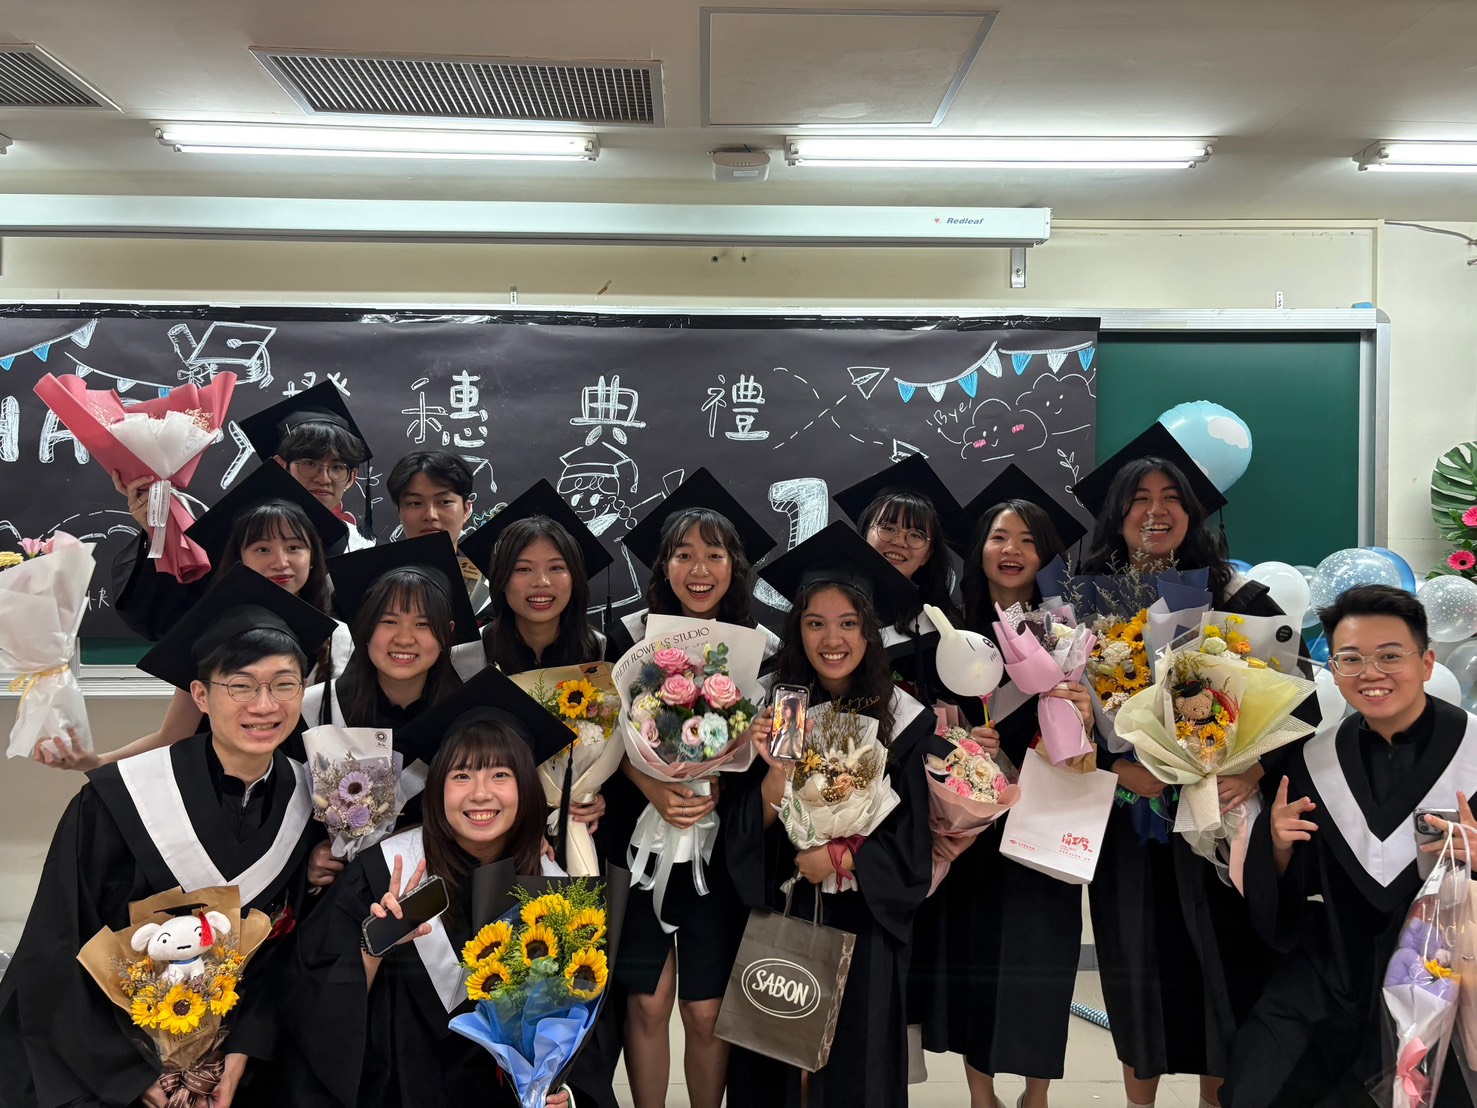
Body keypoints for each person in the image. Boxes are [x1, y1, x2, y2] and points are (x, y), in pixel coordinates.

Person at [0, 567, 336, 1108]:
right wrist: (132, 1075)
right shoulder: (118, 799)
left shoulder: (307, 802)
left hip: (233, 1065)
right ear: (200, 695)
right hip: (106, 1059)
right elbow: (57, 943)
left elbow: (281, 955)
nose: (264, 705)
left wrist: (241, 1050)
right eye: (241, 686)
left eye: (284, 684)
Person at [1072, 423, 1286, 1108]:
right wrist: (1117, 769)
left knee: (1217, 974)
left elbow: (1294, 700)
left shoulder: (1238, 598)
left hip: (1217, 822)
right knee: (1136, 972)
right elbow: (1062, 720)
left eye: (1171, 497)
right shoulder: (1084, 604)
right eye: (1139, 498)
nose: (1155, 510)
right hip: (1129, 822)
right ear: (1117, 514)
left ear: (1192, 514)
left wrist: (1252, 772)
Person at [274, 665, 580, 1107]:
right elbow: (310, 1001)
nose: (480, 794)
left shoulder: (551, 888)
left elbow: (581, 1019)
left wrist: (564, 1091)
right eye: (461, 776)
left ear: (526, 788)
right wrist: (374, 946)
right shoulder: (382, 871)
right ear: (437, 787)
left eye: (500, 775)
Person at [1223, 585, 1477, 1108]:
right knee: (1258, 1080)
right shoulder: (1313, 761)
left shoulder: (1473, 752)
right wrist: (1278, 845)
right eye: (1351, 659)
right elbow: (1291, 893)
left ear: (1427, 663)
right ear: (1334, 670)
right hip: (1333, 966)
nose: (1370, 673)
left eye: (1390, 656)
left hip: (1449, 972)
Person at [726, 521, 948, 1108]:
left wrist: (840, 856)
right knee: (777, 1062)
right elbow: (745, 837)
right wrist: (775, 772)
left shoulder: (904, 718)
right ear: (797, 629)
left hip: (866, 921)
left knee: (856, 1066)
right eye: (815, 623)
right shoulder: (776, 709)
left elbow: (913, 842)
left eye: (849, 623)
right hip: (788, 908)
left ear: (870, 631)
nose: (832, 639)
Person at [911, 464, 1095, 1108]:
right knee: (976, 956)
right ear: (979, 549)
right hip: (969, 825)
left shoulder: (1069, 635)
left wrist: (1081, 714)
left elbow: (1094, 744)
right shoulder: (947, 633)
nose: (1011, 549)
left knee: (1042, 960)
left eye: (1026, 539)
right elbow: (922, 728)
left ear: (1045, 555)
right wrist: (960, 742)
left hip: (1045, 819)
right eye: (998, 536)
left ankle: (1035, 1094)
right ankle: (981, 1093)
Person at [605, 468, 779, 1108]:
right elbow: (605, 739)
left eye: (715, 555)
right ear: (664, 566)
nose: (699, 569)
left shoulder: (764, 651)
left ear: (736, 567)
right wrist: (650, 784)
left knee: (706, 1011)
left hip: (720, 853)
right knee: (648, 1002)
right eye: (683, 554)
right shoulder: (628, 640)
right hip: (640, 842)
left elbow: (766, 761)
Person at [41, 463, 351, 771]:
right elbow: (173, 736)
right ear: (240, 559)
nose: (280, 562)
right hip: (225, 787)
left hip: (317, 789)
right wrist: (97, 762)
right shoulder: (215, 634)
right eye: (262, 549)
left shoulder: (340, 638)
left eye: (294, 547)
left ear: (313, 558)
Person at [833, 453, 965, 705]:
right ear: (865, 533)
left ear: (928, 554)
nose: (899, 541)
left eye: (916, 535)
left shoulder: (940, 628)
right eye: (888, 528)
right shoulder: (828, 608)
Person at [461, 477, 615, 676]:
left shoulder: (601, 650)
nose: (542, 581)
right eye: (524, 569)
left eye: (556, 567)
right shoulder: (467, 657)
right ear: (501, 580)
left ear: (574, 578)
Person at [237, 380, 376, 548]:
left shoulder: (363, 548)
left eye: (337, 467)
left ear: (351, 478)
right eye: (310, 463)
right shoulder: (244, 543)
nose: (324, 479)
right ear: (280, 467)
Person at [386, 450, 488, 608]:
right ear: (399, 511)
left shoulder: (491, 586)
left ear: (467, 510)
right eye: (415, 503)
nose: (430, 515)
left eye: (444, 502)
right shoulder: (376, 584)